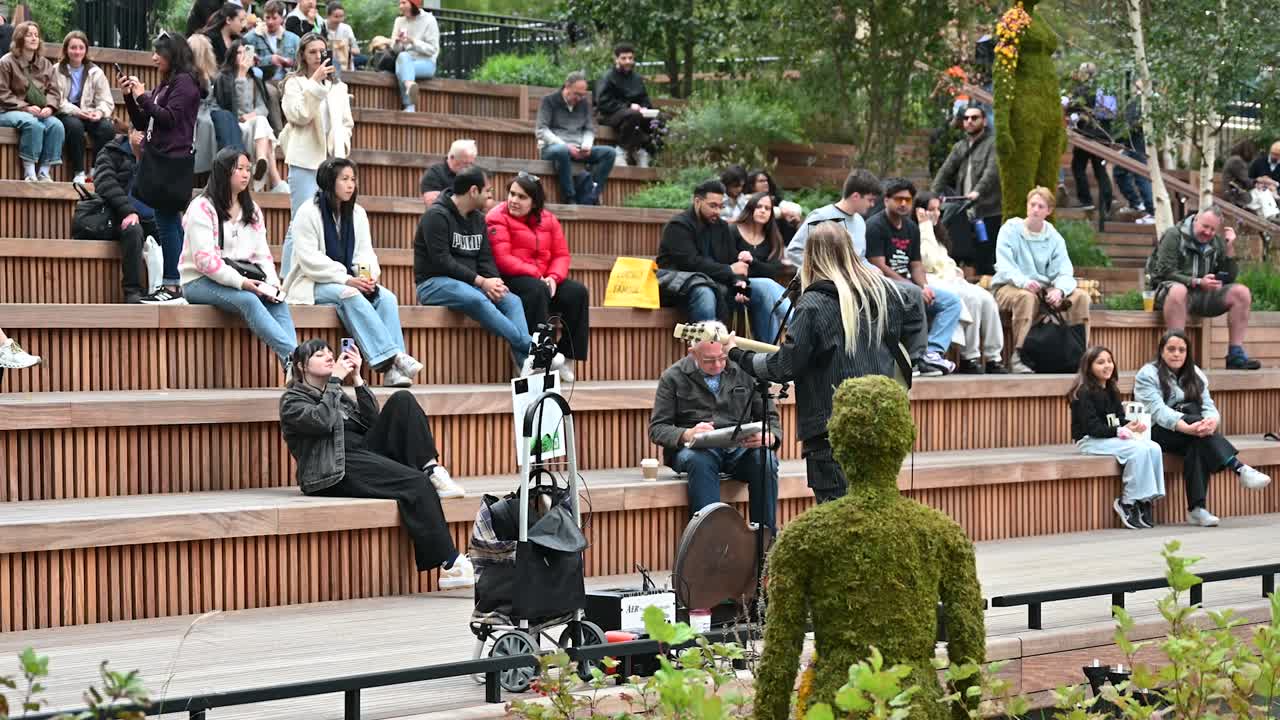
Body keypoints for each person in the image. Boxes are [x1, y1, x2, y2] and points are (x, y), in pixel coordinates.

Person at [752, 376, 985, 720]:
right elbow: (968, 646)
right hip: (918, 706)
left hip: (833, 707)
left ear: (837, 442)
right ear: (906, 439)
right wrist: (964, 713)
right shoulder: (943, 533)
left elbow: (780, 655)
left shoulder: (802, 537)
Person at [727, 222, 908, 503]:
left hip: (830, 430)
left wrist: (738, 354)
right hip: (880, 423)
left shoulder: (813, 304)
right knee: (878, 510)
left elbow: (784, 367)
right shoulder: (883, 293)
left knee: (839, 516)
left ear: (811, 256)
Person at [280, 339, 472, 586]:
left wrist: (358, 379)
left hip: (363, 453)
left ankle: (432, 467)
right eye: (319, 354)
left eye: (330, 352)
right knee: (416, 484)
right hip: (335, 469)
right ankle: (450, 564)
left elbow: (372, 421)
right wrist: (336, 381)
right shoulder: (292, 400)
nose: (329, 356)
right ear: (301, 366)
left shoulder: (336, 392)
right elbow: (322, 422)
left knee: (403, 399)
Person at [283, 158, 422, 386]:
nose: (350, 185)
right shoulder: (307, 212)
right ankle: (395, 357)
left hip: (348, 280)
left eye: (353, 180)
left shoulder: (357, 213)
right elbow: (310, 259)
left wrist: (366, 277)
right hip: (311, 282)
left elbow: (364, 253)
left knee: (386, 297)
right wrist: (347, 279)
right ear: (330, 182)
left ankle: (391, 373)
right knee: (350, 295)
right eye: (345, 179)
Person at [785, 169, 937, 375]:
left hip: (860, 279)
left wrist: (875, 272)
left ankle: (916, 358)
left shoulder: (858, 222)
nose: (872, 205)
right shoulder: (822, 216)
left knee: (912, 293)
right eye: (870, 200)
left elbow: (861, 258)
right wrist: (825, 271)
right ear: (855, 196)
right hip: (831, 285)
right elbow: (794, 251)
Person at [648, 321, 781, 531]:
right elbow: (657, 428)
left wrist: (770, 436)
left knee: (766, 459)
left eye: (723, 358)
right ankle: (709, 540)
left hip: (740, 449)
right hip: (697, 451)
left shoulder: (745, 370)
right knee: (699, 461)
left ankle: (765, 539)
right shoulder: (672, 376)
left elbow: (771, 418)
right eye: (709, 360)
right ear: (692, 352)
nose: (718, 365)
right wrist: (687, 433)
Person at [1134, 330, 1271, 527]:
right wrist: (1189, 426)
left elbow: (1208, 405)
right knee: (1197, 431)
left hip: (1191, 430)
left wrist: (1211, 422)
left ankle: (1197, 510)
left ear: (1187, 353)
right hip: (1155, 430)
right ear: (1161, 352)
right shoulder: (1147, 374)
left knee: (1197, 445)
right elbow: (1159, 412)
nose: (1176, 354)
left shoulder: (1195, 373)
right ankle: (1239, 469)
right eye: (1171, 349)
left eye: (1182, 350)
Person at [180, 148, 297, 370]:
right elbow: (205, 262)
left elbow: (262, 254)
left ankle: (293, 364)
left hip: (243, 279)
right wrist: (243, 284)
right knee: (249, 300)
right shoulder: (202, 207)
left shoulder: (251, 210)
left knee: (277, 301)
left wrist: (272, 285)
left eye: (248, 169)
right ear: (224, 172)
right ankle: (299, 360)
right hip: (198, 281)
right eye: (239, 169)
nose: (246, 174)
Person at [415, 166, 535, 374]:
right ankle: (532, 348)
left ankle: (525, 363)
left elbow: (485, 258)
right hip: (433, 283)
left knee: (512, 300)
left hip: (469, 283)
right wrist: (481, 282)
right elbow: (442, 261)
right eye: (487, 191)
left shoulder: (478, 219)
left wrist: (494, 283)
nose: (491, 196)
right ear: (473, 191)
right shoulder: (436, 216)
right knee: (477, 299)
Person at [121, 31, 203, 305]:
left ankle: (173, 285)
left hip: (173, 162)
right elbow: (145, 123)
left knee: (167, 223)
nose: (154, 58)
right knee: (169, 223)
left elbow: (169, 119)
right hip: (159, 160)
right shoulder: (167, 84)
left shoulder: (186, 84)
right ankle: (179, 282)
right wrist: (131, 98)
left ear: (173, 55)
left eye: (159, 53)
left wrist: (144, 96)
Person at [657, 179, 790, 343]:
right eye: (713, 206)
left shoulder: (721, 226)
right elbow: (691, 263)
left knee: (763, 289)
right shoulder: (678, 226)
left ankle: (767, 355)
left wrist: (739, 283)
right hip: (683, 287)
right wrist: (730, 271)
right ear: (697, 201)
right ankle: (710, 359)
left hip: (720, 285)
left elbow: (732, 260)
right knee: (705, 292)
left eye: (721, 206)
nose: (718, 211)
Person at [485, 172, 588, 383]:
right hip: (511, 278)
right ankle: (536, 358)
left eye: (521, 197)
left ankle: (566, 357)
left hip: (542, 278)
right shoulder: (496, 216)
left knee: (578, 293)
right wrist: (539, 276)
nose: (513, 200)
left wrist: (553, 277)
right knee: (536, 290)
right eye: (512, 194)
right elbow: (503, 259)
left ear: (534, 202)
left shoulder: (549, 219)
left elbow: (561, 255)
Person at [865, 178, 962, 376]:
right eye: (898, 199)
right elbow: (878, 265)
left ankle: (932, 353)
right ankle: (916, 358)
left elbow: (916, 265)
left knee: (951, 301)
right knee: (915, 294)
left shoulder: (911, 228)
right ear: (886, 200)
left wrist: (924, 286)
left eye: (907, 200)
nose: (903, 204)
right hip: (884, 284)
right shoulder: (875, 226)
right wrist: (915, 288)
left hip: (909, 284)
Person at [992, 186, 1092, 373]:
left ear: (1049, 211)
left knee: (1081, 297)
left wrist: (1059, 290)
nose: (1035, 209)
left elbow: (1064, 271)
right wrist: (1024, 282)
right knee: (1026, 297)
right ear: (1027, 207)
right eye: (1032, 205)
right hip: (1010, 286)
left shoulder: (1054, 238)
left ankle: (1080, 354)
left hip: (1044, 289)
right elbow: (1004, 267)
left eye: (1041, 206)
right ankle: (1018, 356)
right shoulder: (1010, 229)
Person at [1148, 207, 1261, 370]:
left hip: (1202, 295)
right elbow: (1164, 271)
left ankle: (1235, 355)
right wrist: (1196, 281)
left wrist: (1229, 247)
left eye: (1213, 229)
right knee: (1179, 290)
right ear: (1195, 221)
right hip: (1169, 293)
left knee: (1241, 292)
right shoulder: (1174, 235)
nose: (1208, 232)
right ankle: (1177, 354)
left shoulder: (1216, 243)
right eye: (1205, 227)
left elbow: (1228, 277)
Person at [1069, 345, 1165, 530]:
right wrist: (1119, 431)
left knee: (1153, 447)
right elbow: (1092, 428)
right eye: (1100, 362)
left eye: (1109, 361)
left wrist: (1131, 424)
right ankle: (1127, 501)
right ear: (1088, 367)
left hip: (1109, 437)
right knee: (1137, 450)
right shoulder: (1083, 393)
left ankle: (1146, 498)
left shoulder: (1112, 389)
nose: (1107, 366)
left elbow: (1118, 419)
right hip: (1090, 441)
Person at [279, 32, 352, 275]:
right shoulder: (294, 83)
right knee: (299, 222)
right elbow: (299, 116)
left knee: (331, 223)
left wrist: (343, 147)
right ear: (302, 55)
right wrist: (315, 84)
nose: (318, 56)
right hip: (305, 162)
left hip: (333, 163)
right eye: (312, 51)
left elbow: (346, 123)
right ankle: (287, 278)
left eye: (321, 50)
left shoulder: (339, 87)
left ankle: (321, 275)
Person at [915, 191, 1007, 374]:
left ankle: (993, 357)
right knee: (971, 299)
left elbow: (944, 260)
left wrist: (955, 270)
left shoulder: (938, 234)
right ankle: (969, 356)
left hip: (951, 279)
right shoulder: (917, 231)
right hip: (932, 281)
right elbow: (928, 261)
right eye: (930, 209)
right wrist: (924, 226)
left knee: (986, 299)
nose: (936, 213)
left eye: (937, 209)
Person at [931, 104, 1001, 276]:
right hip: (964, 209)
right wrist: (932, 196)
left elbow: (991, 172)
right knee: (962, 253)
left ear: (984, 121)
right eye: (966, 118)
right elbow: (944, 171)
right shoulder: (960, 146)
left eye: (974, 118)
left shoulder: (992, 144)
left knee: (985, 255)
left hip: (988, 210)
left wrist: (978, 191)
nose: (969, 121)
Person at [214, 40, 289, 193]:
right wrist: (240, 75)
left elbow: (263, 107)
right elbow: (235, 106)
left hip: (253, 124)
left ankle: (261, 161)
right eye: (239, 52)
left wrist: (253, 115)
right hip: (234, 125)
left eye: (246, 52)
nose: (243, 56)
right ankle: (275, 180)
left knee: (261, 120)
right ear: (232, 55)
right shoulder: (225, 78)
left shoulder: (254, 78)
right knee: (264, 131)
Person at [92, 124, 153, 303]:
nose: (144, 137)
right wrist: (128, 211)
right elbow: (105, 183)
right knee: (133, 229)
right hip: (118, 215)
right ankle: (132, 290)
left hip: (152, 216)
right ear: (130, 132)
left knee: (174, 229)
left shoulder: (156, 156)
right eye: (141, 132)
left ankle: (172, 286)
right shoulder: (111, 151)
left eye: (148, 134)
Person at [535, 71, 614, 206]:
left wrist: (586, 145)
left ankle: (591, 193)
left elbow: (589, 129)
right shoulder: (549, 101)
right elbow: (541, 130)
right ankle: (570, 196)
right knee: (561, 151)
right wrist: (566, 146)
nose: (580, 98)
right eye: (577, 94)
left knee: (609, 153)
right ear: (567, 86)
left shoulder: (583, 104)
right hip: (553, 147)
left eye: (582, 95)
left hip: (578, 148)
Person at [0, 21, 64, 182]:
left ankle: (44, 171)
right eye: (29, 35)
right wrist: (25, 108)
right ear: (20, 38)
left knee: (56, 125)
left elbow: (54, 91)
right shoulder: (6, 62)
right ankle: (30, 172)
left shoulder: (45, 63)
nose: (34, 38)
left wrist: (50, 107)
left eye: (36, 35)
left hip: (39, 111)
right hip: (7, 110)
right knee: (32, 123)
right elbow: (2, 93)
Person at [728, 192, 791, 342]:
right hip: (737, 288)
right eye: (759, 206)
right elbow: (727, 265)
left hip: (764, 291)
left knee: (768, 290)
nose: (763, 210)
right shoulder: (732, 231)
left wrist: (752, 261)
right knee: (769, 286)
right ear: (751, 208)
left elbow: (773, 270)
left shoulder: (772, 236)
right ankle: (798, 326)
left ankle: (770, 351)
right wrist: (738, 285)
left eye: (767, 208)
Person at [55, 31, 114, 185]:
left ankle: (95, 170)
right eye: (73, 47)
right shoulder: (57, 70)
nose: (77, 51)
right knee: (75, 127)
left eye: (81, 48)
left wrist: (99, 112)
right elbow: (57, 99)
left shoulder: (95, 72)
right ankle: (79, 172)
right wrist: (77, 112)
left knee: (107, 128)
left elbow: (106, 100)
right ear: (66, 49)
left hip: (89, 112)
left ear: (86, 50)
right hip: (66, 112)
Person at [595, 42, 659, 167]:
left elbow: (644, 98)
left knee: (659, 119)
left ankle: (643, 150)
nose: (628, 61)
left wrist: (645, 107)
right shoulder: (607, 77)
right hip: (609, 114)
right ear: (616, 59)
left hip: (633, 115)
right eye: (624, 58)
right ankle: (621, 151)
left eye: (630, 58)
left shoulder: (636, 78)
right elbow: (602, 102)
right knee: (633, 115)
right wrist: (628, 106)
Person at [1065, 62, 1113, 215]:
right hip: (1103, 135)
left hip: (1086, 135)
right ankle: (1107, 204)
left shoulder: (1082, 90)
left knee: (1078, 166)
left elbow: (1071, 107)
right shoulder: (1104, 88)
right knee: (1100, 170)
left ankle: (1086, 200)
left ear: (1085, 74)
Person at [1112, 82, 1155, 224]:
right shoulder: (1135, 100)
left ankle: (1152, 211)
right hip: (1130, 143)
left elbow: (1139, 123)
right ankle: (1136, 202)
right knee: (1119, 170)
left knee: (1141, 175)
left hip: (1139, 143)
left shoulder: (1149, 100)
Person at [390, 0, 439, 113]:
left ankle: (409, 105)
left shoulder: (429, 20)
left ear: (414, 4)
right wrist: (397, 42)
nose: (400, 6)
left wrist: (413, 41)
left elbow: (432, 50)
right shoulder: (399, 21)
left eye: (404, 3)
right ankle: (409, 84)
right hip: (406, 59)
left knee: (402, 69)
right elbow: (396, 50)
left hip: (426, 63)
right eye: (400, 3)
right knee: (403, 56)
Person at [1223, 139, 1278, 221]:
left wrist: (1259, 182)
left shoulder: (1235, 159)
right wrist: (1259, 182)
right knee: (1263, 192)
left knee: (1261, 203)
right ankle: (1273, 216)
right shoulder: (1236, 161)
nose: (1253, 154)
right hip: (1235, 196)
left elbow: (1245, 180)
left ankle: (1267, 227)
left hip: (1236, 193)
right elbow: (1246, 182)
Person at [244, 0, 299, 83]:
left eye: (274, 18)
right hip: (263, 82)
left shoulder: (293, 39)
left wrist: (290, 63)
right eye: (267, 17)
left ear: (282, 18)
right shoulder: (250, 37)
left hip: (289, 81)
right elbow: (245, 63)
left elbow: (301, 63)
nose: (270, 22)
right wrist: (269, 60)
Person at [420, 138, 476, 206]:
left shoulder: (473, 174)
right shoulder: (434, 174)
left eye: (471, 163)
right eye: (465, 163)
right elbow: (433, 204)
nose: (469, 167)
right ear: (452, 157)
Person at [321, 2, 362, 70]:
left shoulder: (347, 29)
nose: (339, 20)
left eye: (341, 16)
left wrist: (344, 48)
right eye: (336, 16)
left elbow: (357, 51)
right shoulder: (321, 25)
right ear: (328, 16)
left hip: (345, 67)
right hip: (326, 66)